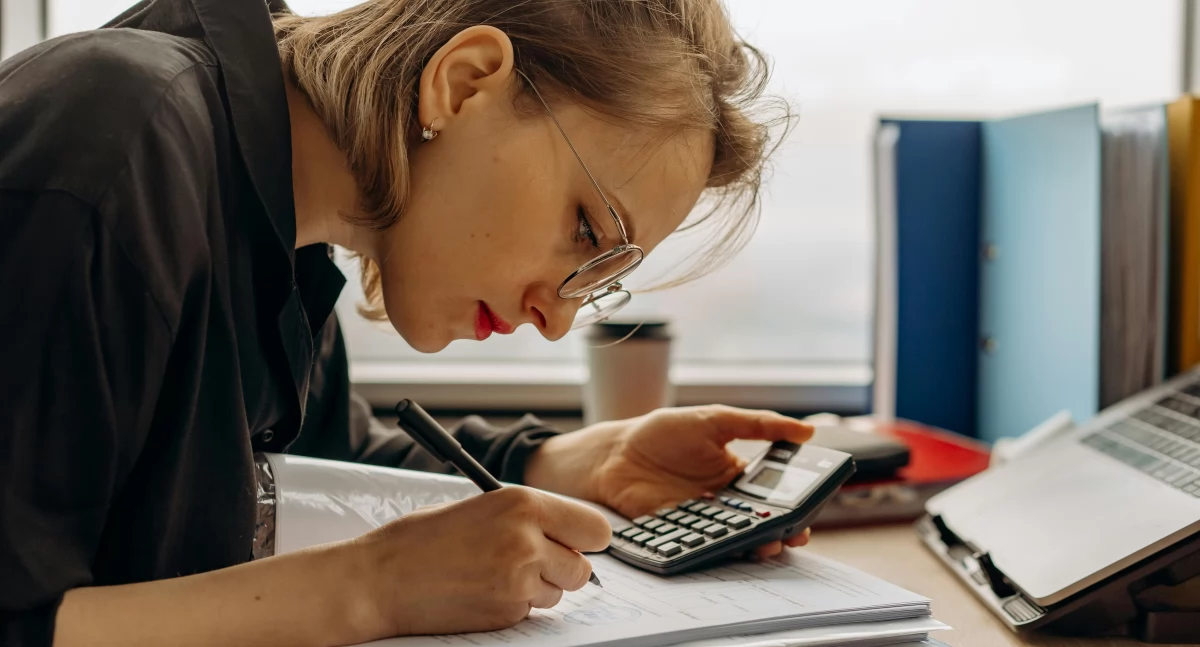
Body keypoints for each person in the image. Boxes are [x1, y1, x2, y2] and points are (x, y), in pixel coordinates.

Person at [0, 0, 814, 645]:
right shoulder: (115, 141)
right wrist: (371, 589)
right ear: (463, 83)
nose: (558, 318)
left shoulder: (284, 231)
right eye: (587, 233)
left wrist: (559, 460)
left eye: (600, 278)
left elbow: (305, 466)